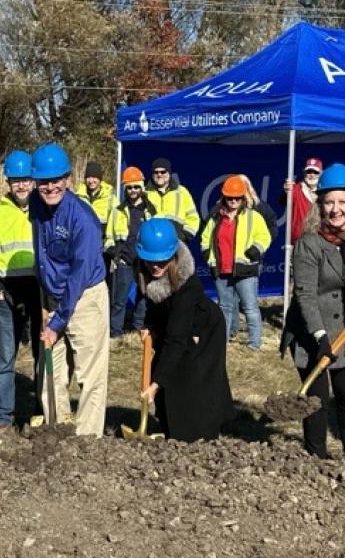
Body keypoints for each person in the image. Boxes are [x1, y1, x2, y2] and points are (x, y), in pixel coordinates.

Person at [282, 164, 345, 459]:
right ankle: (317, 458)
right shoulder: (309, 244)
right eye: (329, 203)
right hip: (312, 331)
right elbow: (305, 295)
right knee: (317, 399)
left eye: (342, 202)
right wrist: (320, 336)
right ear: (320, 206)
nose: (336, 210)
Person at [30, 143, 110, 436]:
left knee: (90, 375)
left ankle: (87, 439)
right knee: (50, 369)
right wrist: (44, 293)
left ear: (67, 179)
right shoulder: (36, 204)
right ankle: (57, 431)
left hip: (84, 297)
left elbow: (79, 274)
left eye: (56, 180)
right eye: (44, 181)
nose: (50, 187)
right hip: (52, 296)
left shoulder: (83, 220)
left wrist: (58, 321)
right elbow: (41, 250)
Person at [136, 219, 233, 442]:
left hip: (204, 328)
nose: (155, 266)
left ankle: (198, 435)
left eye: (162, 261)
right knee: (165, 368)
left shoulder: (186, 286)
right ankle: (171, 428)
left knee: (193, 377)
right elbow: (152, 300)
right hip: (172, 323)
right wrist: (149, 324)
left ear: (173, 255)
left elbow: (176, 340)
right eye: (151, 261)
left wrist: (155, 385)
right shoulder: (142, 269)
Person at [0, 151, 42, 429]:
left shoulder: (45, 210)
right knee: (4, 359)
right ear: (8, 182)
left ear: (33, 180)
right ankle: (2, 416)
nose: (21, 185)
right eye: (16, 180)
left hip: (40, 293)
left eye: (25, 180)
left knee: (44, 355)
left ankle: (43, 411)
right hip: (7, 294)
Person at [198, 175, 272, 350]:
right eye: (230, 197)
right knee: (224, 307)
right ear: (224, 197)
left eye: (237, 197)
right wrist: (209, 256)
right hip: (221, 270)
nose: (233, 201)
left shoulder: (253, 217)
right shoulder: (216, 217)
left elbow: (265, 236)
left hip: (245, 270)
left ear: (243, 198)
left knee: (250, 308)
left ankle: (254, 344)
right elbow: (205, 238)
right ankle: (222, 342)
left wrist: (254, 251)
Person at [103, 166, 154, 337]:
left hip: (144, 260)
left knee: (144, 296)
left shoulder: (151, 210)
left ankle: (138, 327)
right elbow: (109, 236)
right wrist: (115, 253)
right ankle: (115, 332)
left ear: (142, 188)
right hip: (124, 260)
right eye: (129, 187)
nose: (133, 190)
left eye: (136, 187)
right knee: (119, 299)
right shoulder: (117, 210)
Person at [144, 158, 199, 243]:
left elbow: (193, 217)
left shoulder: (181, 192)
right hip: (150, 243)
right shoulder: (144, 193)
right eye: (156, 172)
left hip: (176, 242)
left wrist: (184, 235)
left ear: (169, 173)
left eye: (163, 172)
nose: (159, 175)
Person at [283, 157, 323, 244]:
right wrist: (287, 191)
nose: (311, 175)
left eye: (315, 172)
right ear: (304, 173)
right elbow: (283, 201)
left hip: (320, 239)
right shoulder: (296, 189)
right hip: (300, 240)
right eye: (309, 172)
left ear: (321, 173)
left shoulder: (325, 192)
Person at [74, 161, 114, 239]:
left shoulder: (110, 198)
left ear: (100, 179)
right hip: (83, 240)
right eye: (88, 177)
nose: (91, 181)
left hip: (102, 241)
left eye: (94, 177)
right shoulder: (78, 197)